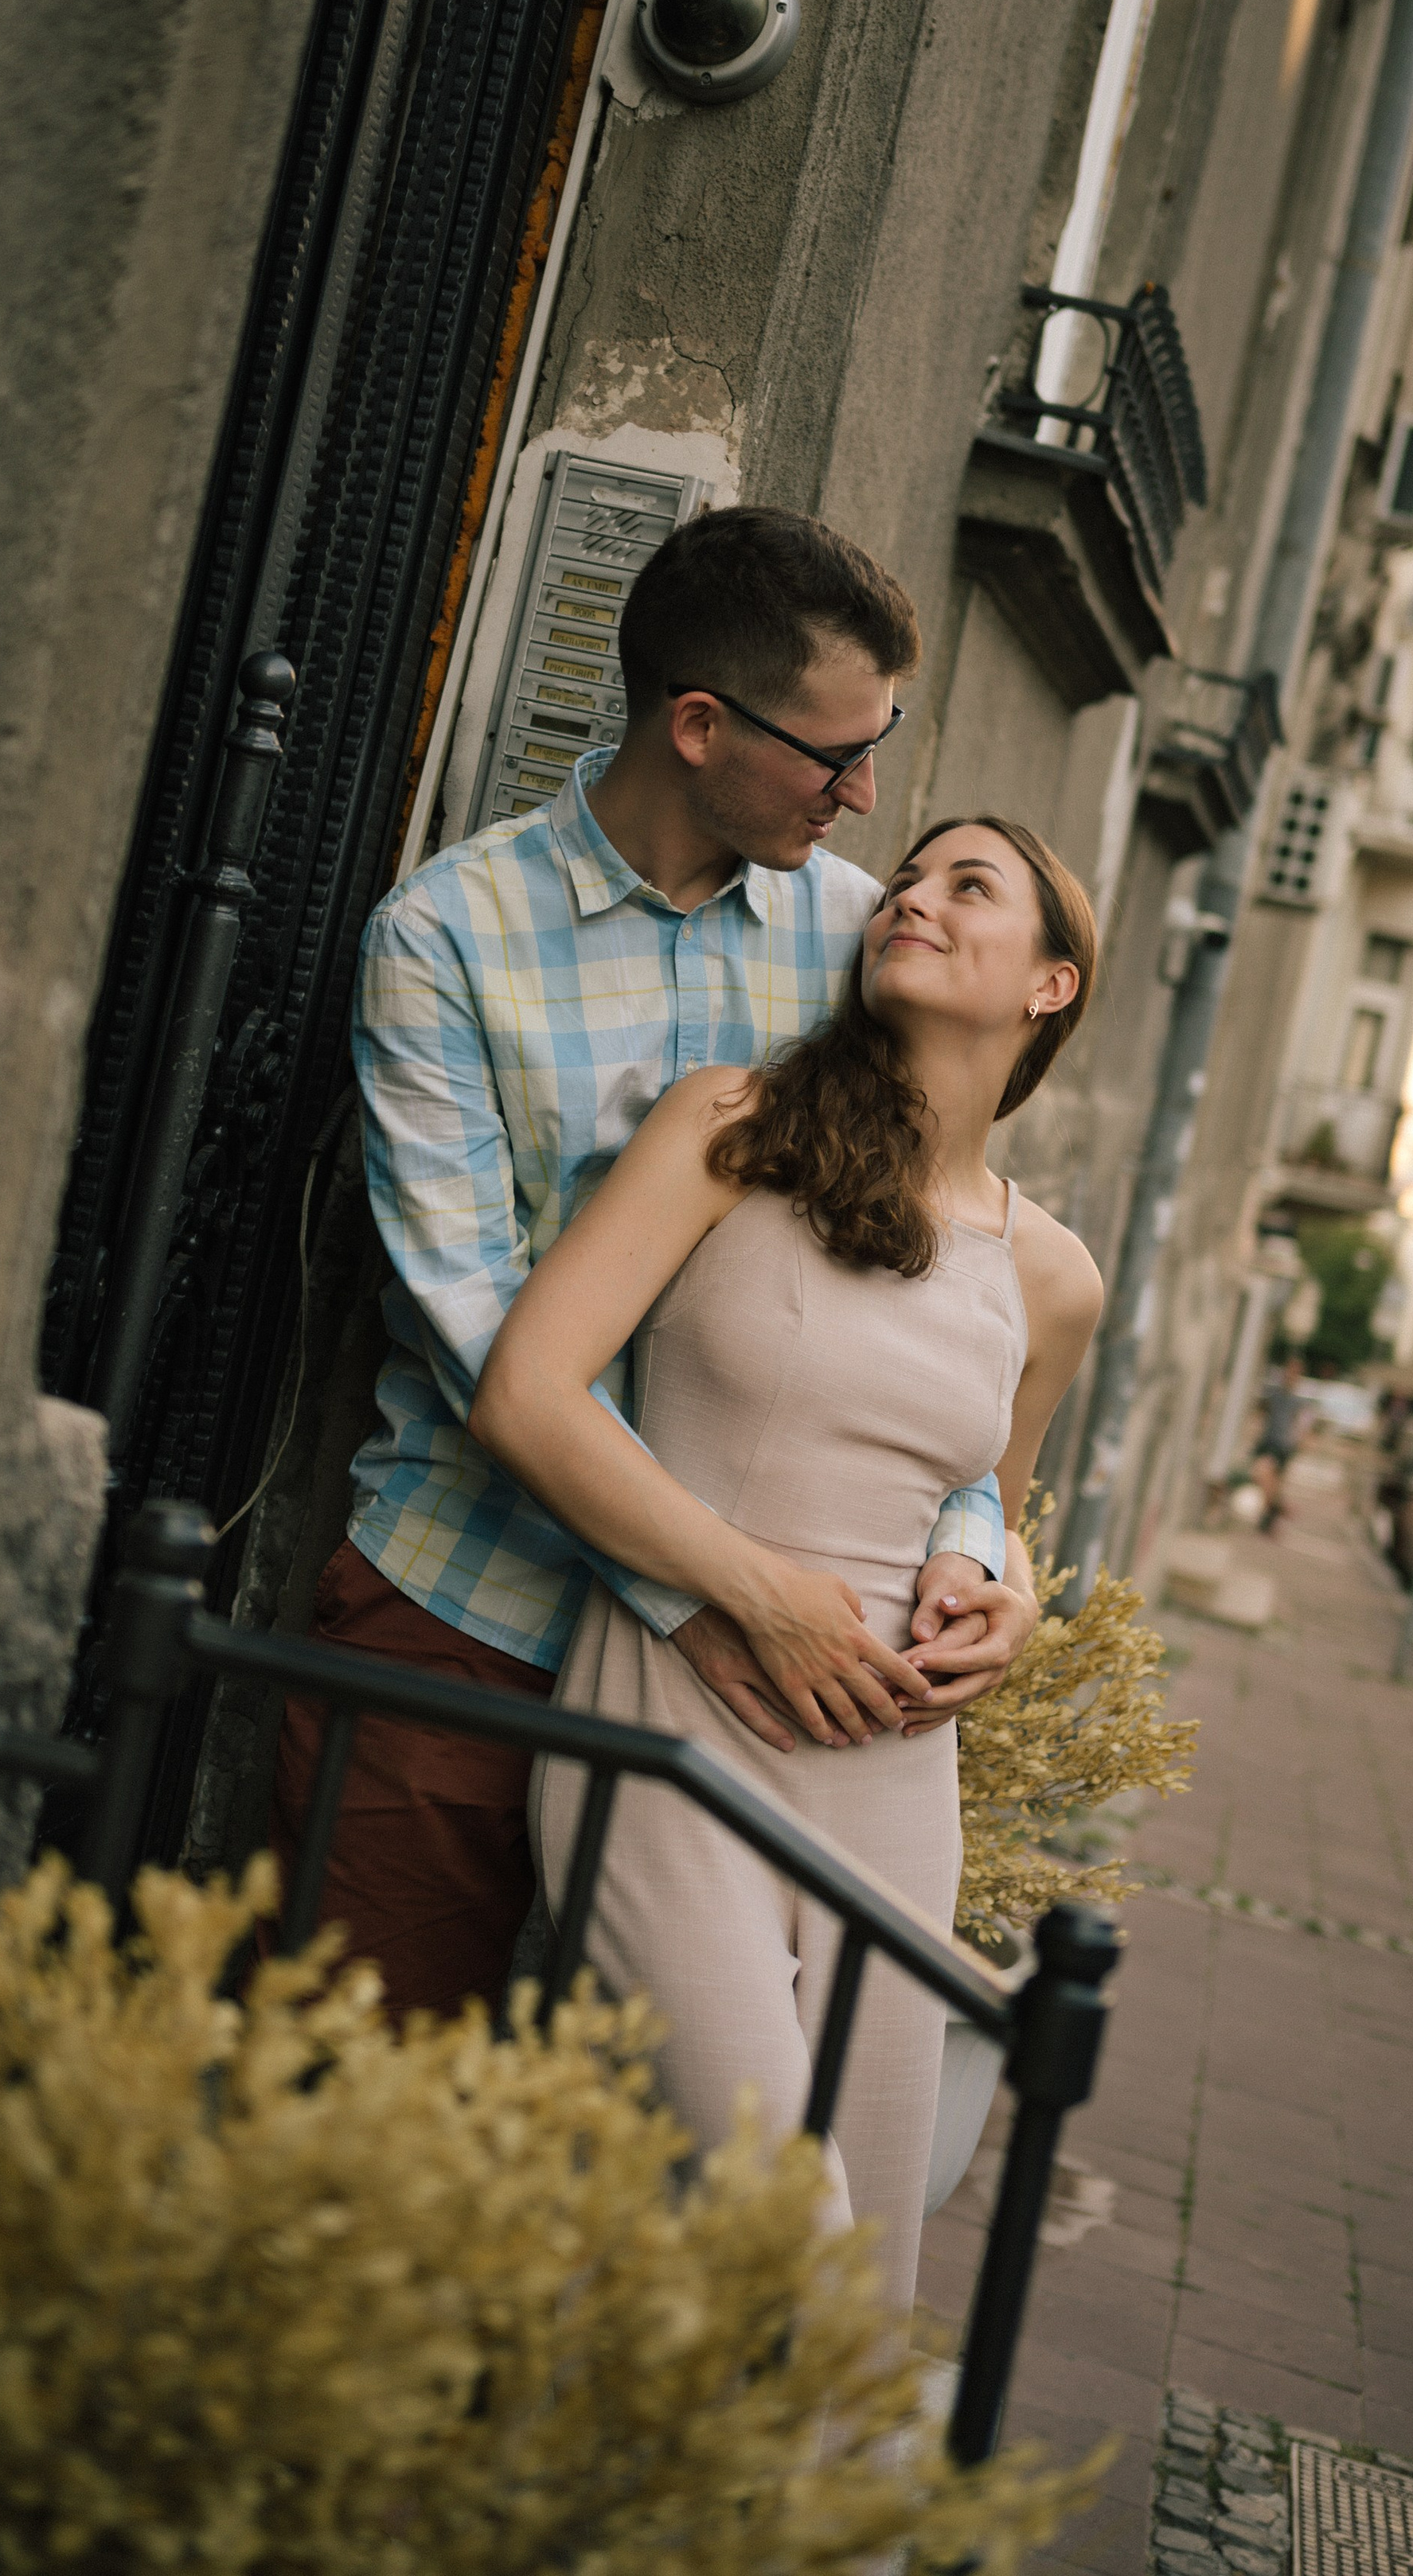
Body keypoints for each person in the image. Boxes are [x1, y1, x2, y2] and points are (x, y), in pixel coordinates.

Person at [268, 509, 1042, 2021]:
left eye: (880, 742)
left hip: (767, 1687)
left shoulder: (859, 936)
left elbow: (939, 1274)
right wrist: (717, 1593)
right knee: (358, 2112)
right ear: (699, 724)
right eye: (835, 755)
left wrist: (976, 1540)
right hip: (477, 1619)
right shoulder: (446, 939)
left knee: (660, 2173)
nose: (866, 792)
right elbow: (481, 1337)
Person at [473, 815, 1103, 2312]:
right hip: (673, 1734)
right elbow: (526, 1395)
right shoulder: (728, 1128)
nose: (913, 897)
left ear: (1051, 986)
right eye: (908, 874)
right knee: (786, 2239)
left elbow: (983, 1492)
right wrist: (747, 1591)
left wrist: (1005, 1597)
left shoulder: (1050, 1272)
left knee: (859, 2272)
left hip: (892, 1782)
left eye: (971, 885)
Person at [1252, 1356, 1307, 1531]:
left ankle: (1271, 1518)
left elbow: (1302, 1425)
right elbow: (1261, 1414)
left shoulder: (1297, 1401)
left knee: (1271, 1482)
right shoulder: (1273, 1394)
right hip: (1268, 1443)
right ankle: (1279, 1510)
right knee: (1266, 1480)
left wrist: (1298, 1441)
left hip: (1282, 1446)